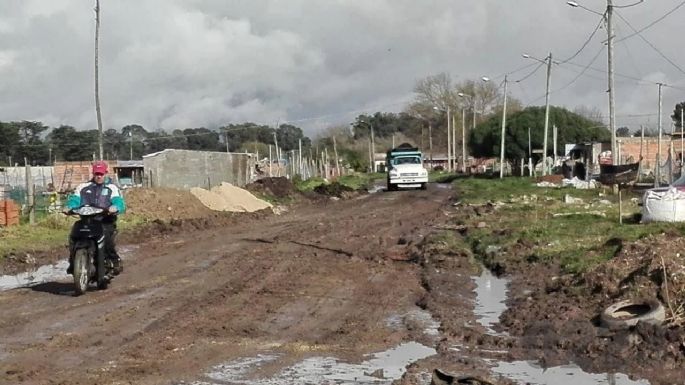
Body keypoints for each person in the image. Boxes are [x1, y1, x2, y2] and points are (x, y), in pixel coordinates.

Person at [66, 161, 126, 275]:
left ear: (105, 173)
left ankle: (113, 260)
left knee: (106, 236)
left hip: (105, 220)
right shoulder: (83, 187)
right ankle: (73, 261)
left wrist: (115, 207)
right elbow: (74, 200)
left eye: (101, 174)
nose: (98, 176)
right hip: (86, 220)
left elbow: (119, 201)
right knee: (74, 235)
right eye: (96, 174)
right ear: (93, 173)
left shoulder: (111, 188)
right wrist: (69, 207)